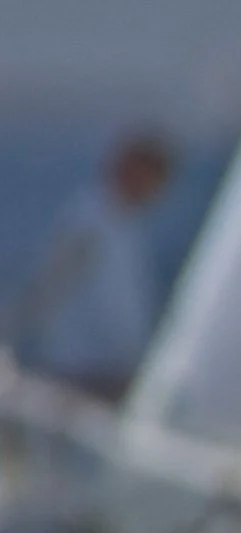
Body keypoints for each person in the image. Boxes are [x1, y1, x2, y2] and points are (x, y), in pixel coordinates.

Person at [11, 131, 175, 401]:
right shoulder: (90, 223)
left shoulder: (123, 225)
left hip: (105, 370)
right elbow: (47, 289)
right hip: (79, 370)